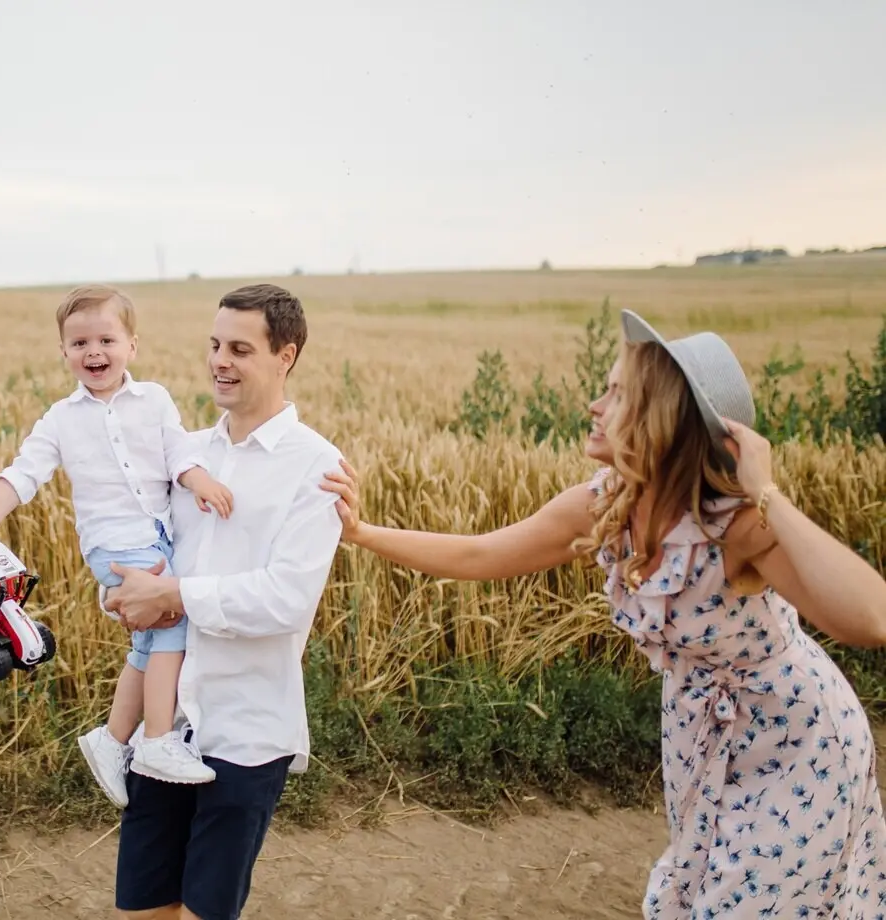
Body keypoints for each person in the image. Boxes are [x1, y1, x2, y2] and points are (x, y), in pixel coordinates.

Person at [320, 308, 886, 918]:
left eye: (616, 394)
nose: (593, 404)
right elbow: (481, 553)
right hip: (699, 731)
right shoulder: (602, 504)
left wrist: (765, 491)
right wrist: (362, 533)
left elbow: (872, 619)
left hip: (796, 741)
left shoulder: (734, 525)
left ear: (660, 419)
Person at [101, 283, 344, 920]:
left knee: (208, 913)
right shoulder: (183, 457)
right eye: (214, 345)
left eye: (240, 348)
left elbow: (287, 600)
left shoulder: (317, 467)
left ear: (285, 355)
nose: (219, 361)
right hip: (167, 730)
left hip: (247, 730)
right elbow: (149, 558)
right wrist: (125, 593)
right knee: (144, 908)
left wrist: (174, 594)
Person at [0, 283, 235, 797]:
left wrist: (199, 481)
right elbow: (24, 474)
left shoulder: (154, 400)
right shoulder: (61, 420)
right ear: (63, 352)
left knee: (149, 641)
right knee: (173, 626)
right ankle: (156, 739)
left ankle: (111, 740)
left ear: (132, 344)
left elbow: (178, 452)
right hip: (115, 546)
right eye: (80, 343)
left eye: (107, 340)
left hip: (157, 538)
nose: (95, 352)